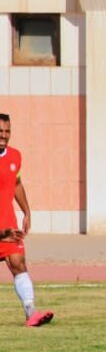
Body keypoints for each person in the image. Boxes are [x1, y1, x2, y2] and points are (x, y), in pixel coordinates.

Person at [0, 114, 52, 327]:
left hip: (8, 225)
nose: (4, 136)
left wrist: (26, 211)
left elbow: (17, 183)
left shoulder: (15, 157)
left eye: (7, 131)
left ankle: (31, 314)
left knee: (18, 263)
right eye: (0, 132)